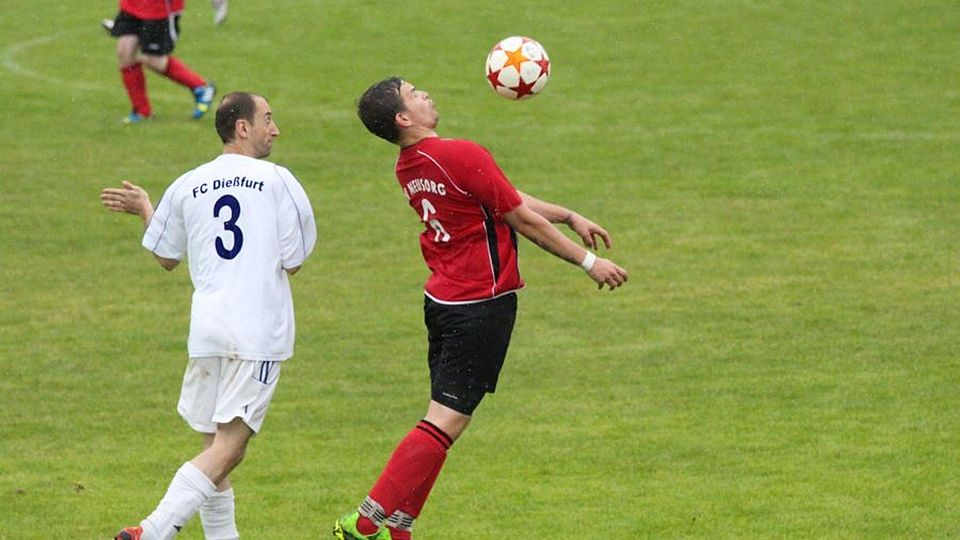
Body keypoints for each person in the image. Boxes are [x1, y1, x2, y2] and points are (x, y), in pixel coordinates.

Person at [332, 78, 628, 540]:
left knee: (447, 417)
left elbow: (501, 196)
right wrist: (588, 262)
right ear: (403, 118)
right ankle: (366, 521)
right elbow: (520, 218)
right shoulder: (460, 154)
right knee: (445, 419)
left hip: (444, 299)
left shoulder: (410, 164)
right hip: (480, 304)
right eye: (414, 92)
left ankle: (399, 529)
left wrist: (568, 214)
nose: (426, 93)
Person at [101, 92, 317, 540]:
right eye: (268, 120)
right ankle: (153, 530)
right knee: (229, 450)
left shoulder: (187, 184)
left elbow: (165, 257)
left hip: (206, 330)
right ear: (242, 127)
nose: (274, 130)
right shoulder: (277, 180)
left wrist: (146, 208)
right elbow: (294, 261)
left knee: (213, 448)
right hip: (255, 331)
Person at [105, 0, 217, 124]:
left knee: (153, 59)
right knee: (125, 53)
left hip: (159, 10)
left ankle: (201, 87)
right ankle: (142, 112)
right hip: (132, 6)